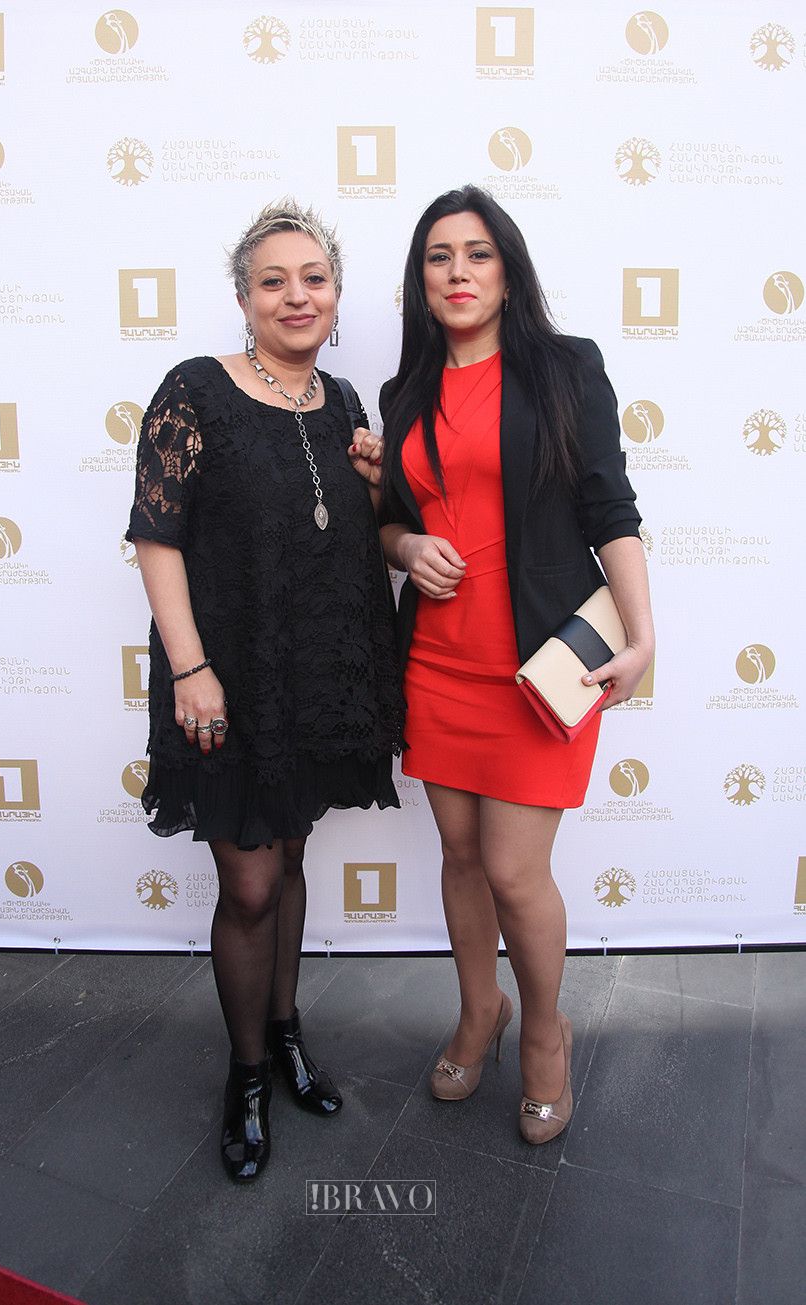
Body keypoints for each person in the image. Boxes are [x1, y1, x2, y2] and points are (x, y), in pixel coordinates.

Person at [126, 199, 403, 1182]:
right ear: (244, 298)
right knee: (248, 884)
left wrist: (377, 486)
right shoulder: (194, 390)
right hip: (227, 676)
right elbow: (155, 537)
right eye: (273, 280)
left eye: (314, 279)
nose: (297, 295)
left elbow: (355, 535)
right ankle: (246, 1073)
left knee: (288, 856)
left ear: (336, 295)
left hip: (317, 671)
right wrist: (191, 670)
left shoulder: (345, 402)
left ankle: (285, 1034)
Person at [377, 185, 654, 1144]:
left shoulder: (567, 369)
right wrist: (406, 547)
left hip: (541, 667)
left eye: (478, 253)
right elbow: (391, 521)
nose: (458, 272)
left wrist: (642, 635)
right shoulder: (404, 394)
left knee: (513, 869)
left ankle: (544, 1033)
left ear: (508, 271)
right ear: (420, 280)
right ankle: (477, 1010)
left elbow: (610, 507)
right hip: (436, 663)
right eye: (439, 256)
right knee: (460, 856)